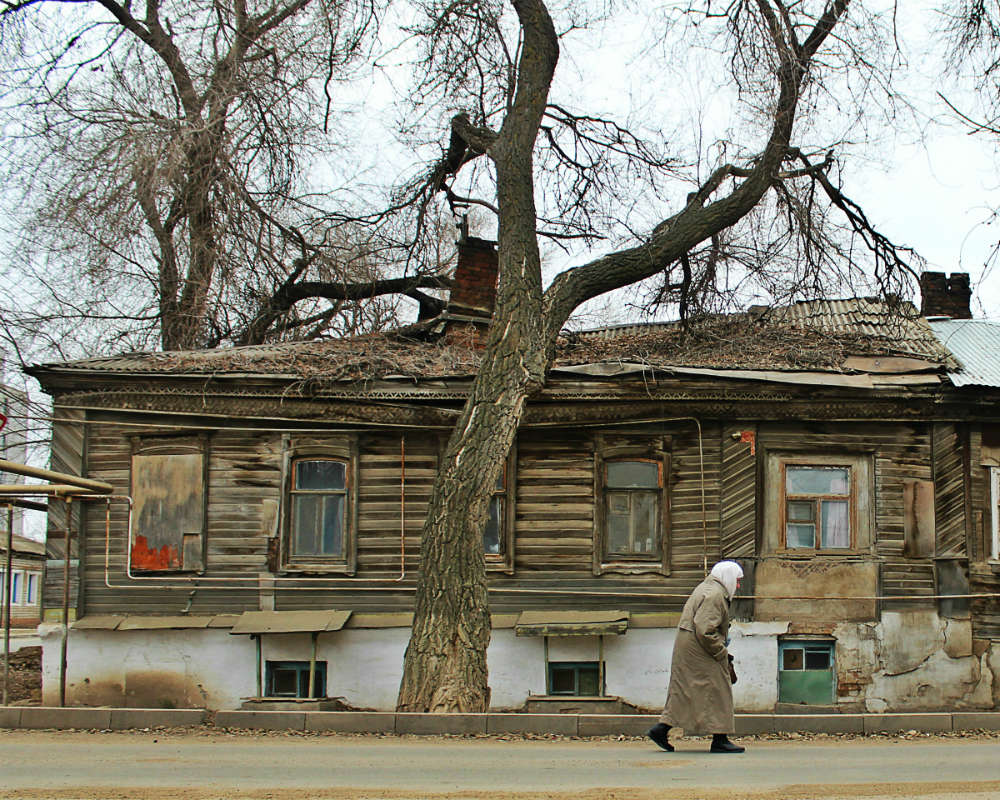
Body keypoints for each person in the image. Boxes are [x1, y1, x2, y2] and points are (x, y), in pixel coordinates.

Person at [647, 560, 745, 754]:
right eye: (737, 580)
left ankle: (661, 729)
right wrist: (721, 652)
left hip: (690, 647)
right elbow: (705, 629)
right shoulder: (716, 595)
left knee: (685, 691)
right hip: (700, 648)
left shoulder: (707, 587)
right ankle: (720, 739)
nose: (739, 585)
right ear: (727, 577)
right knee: (719, 688)